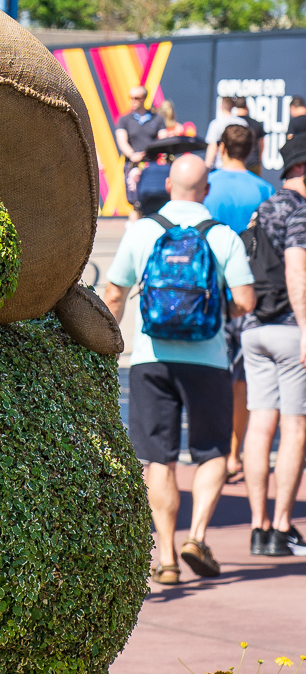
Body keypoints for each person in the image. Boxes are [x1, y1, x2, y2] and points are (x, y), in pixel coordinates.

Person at [103, 153, 255, 586]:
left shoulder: (143, 231)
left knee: (158, 459)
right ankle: (198, 536)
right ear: (206, 191)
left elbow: (114, 293)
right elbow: (245, 301)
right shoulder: (223, 235)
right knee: (212, 452)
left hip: (152, 359)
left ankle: (166, 555)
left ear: (169, 186)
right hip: (208, 360)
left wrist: (104, 344)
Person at [241, 131, 306, 558]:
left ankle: (258, 527)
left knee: (259, 424)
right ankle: (283, 526)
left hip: (253, 328)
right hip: (289, 329)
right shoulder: (300, 211)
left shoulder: (261, 208)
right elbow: (296, 271)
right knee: (294, 426)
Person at [205, 124, 273, 482]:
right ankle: (233, 454)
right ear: (250, 150)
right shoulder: (264, 189)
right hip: (249, 294)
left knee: (214, 373)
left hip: (213, 293)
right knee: (242, 381)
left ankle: (215, 451)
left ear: (222, 147)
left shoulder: (209, 184)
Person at [115, 85, 164, 219]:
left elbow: (163, 139)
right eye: (131, 98)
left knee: (153, 202)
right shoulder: (124, 120)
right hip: (133, 166)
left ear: (144, 99)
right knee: (135, 204)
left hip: (152, 166)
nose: (133, 101)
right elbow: (122, 141)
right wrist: (133, 155)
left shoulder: (157, 119)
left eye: (136, 98)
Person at [205, 95, 245, 169]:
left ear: (221, 106)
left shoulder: (216, 124)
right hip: (240, 167)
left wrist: (207, 167)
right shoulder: (242, 123)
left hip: (221, 167)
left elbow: (212, 147)